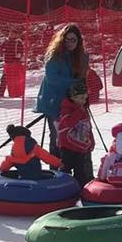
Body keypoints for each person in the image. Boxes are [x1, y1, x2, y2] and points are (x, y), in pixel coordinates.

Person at [33, 24, 88, 159]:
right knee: (57, 135)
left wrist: (83, 96)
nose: (69, 43)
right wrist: (74, 83)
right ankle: (56, 165)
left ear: (78, 41)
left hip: (73, 102)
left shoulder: (82, 57)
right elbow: (52, 78)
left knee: (75, 133)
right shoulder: (55, 55)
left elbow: (82, 78)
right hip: (53, 101)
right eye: (67, 39)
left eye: (73, 40)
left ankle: (76, 164)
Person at [57, 80, 95, 187]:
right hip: (67, 146)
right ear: (73, 97)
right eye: (81, 98)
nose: (84, 101)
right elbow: (68, 123)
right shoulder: (67, 108)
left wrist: (91, 140)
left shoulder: (83, 109)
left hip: (80, 146)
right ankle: (63, 187)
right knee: (66, 168)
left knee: (80, 171)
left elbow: (87, 126)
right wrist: (79, 111)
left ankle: (80, 188)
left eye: (85, 98)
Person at [0, 30, 24, 98]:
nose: (10, 35)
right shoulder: (6, 41)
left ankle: (15, 93)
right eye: (10, 33)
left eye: (12, 34)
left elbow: (20, 52)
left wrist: (17, 59)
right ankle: (0, 93)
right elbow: (0, 48)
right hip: (7, 63)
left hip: (14, 63)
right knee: (4, 78)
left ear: (16, 35)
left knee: (13, 79)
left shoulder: (18, 42)